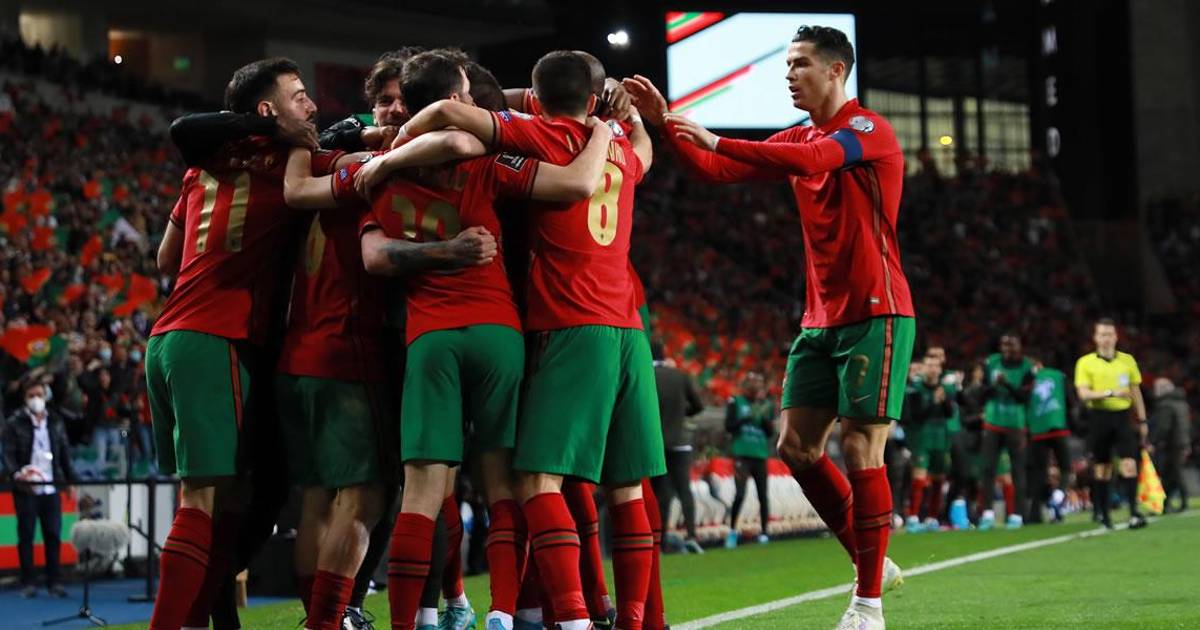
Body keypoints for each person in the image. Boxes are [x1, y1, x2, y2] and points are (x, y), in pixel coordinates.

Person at [624, 24, 909, 629]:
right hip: (819, 318)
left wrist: (717, 137)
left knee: (862, 446)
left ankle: (868, 605)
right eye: (787, 64)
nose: (789, 74)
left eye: (800, 63)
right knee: (796, 448)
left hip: (876, 310)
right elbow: (715, 169)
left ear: (836, 70)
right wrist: (666, 122)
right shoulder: (798, 135)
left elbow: (813, 159)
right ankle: (870, 558)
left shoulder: (867, 130)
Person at [396, 49, 661, 630]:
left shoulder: (540, 134)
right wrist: (629, 117)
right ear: (592, 99)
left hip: (572, 324)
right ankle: (633, 618)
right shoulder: (620, 145)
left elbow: (453, 113)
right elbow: (646, 150)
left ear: (537, 100)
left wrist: (396, 139)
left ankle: (573, 619)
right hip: (629, 329)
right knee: (626, 489)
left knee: (536, 481)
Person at [145, 57, 338, 630]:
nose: (311, 105)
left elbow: (164, 260)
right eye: (298, 96)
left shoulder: (203, 166)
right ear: (267, 110)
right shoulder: (290, 163)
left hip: (169, 337)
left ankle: (211, 622)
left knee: (228, 497)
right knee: (203, 500)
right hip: (217, 336)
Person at [2, 380, 76, 598]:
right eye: (31, 395)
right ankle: (28, 582)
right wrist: (18, 475)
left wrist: (71, 481)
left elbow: (64, 452)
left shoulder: (55, 421)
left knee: (53, 534)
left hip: (51, 486)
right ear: (25, 398)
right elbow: (7, 454)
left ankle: (55, 581)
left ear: (45, 396)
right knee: (26, 535)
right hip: (26, 488)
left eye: (39, 394)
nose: (36, 399)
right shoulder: (14, 422)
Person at [1074, 318, 1148, 529]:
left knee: (1129, 463)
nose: (1106, 338)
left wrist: (1142, 419)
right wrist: (1110, 393)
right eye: (1102, 334)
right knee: (1102, 466)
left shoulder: (1127, 361)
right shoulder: (1085, 362)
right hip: (1099, 417)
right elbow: (1083, 394)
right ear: (1095, 338)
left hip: (1122, 417)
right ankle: (1103, 514)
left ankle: (1133, 512)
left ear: (1116, 337)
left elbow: (1135, 392)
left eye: (1109, 334)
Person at [650, 340, 704, 552]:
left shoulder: (647, 375)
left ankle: (660, 539)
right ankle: (691, 535)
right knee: (684, 490)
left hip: (656, 443)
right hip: (680, 442)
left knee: (660, 493)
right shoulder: (680, 376)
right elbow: (698, 406)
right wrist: (682, 415)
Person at [978, 333, 1034, 530]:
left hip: (1015, 426)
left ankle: (1017, 515)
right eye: (1004, 345)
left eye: (1011, 345)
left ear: (1020, 347)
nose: (1007, 349)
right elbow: (983, 391)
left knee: (1018, 470)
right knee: (988, 469)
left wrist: (1007, 384)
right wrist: (994, 385)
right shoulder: (991, 363)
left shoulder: (1027, 367)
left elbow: (1024, 397)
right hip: (993, 423)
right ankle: (987, 514)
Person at [904, 354, 956, 532]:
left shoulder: (945, 389)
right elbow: (917, 415)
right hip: (922, 439)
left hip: (941, 439)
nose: (932, 369)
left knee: (938, 478)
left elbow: (950, 413)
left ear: (940, 370)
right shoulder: (914, 389)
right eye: (929, 365)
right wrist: (934, 401)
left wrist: (944, 400)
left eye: (936, 366)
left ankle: (932, 518)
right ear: (923, 368)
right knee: (919, 478)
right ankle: (912, 517)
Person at [724, 372, 775, 547]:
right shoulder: (735, 402)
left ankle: (764, 532)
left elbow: (770, 432)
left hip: (760, 454)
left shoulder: (766, 405)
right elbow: (729, 426)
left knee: (763, 495)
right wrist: (746, 418)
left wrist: (763, 419)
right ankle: (732, 531)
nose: (755, 389)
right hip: (742, 454)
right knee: (740, 494)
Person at [1025, 358, 1074, 524]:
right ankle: (1057, 497)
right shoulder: (1059, 376)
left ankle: (1035, 515)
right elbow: (1070, 400)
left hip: (1037, 431)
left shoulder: (1028, 379)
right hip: (1058, 427)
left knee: (1039, 473)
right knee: (1066, 468)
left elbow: (1023, 401)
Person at [1150, 378, 1190, 513]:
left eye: (1156, 388)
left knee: (1173, 473)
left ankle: (1182, 502)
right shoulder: (1181, 402)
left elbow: (1163, 427)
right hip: (1182, 442)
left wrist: (1154, 441)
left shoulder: (1165, 404)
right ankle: (1166, 503)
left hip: (1171, 444)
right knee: (1173, 473)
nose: (1154, 391)